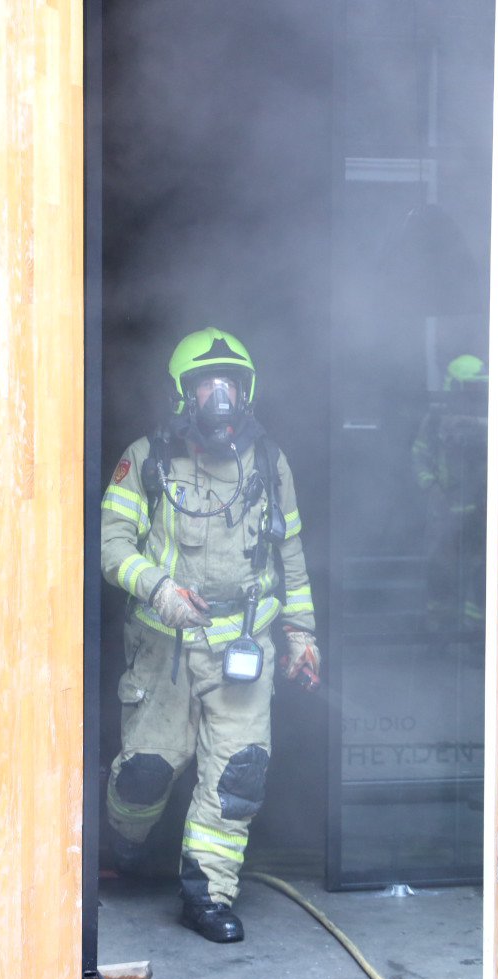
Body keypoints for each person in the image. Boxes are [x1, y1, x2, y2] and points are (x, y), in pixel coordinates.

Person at [99, 327, 320, 943]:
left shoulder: (271, 463)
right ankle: (124, 844)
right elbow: (110, 544)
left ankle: (208, 895)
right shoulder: (144, 460)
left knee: (238, 774)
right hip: (163, 652)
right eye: (207, 386)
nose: (221, 399)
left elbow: (290, 558)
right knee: (145, 774)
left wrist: (302, 635)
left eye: (232, 385)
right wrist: (159, 590)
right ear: (182, 394)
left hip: (242, 650)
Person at [411, 354, 488, 630]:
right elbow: (419, 455)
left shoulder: (494, 418)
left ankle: (475, 639)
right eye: (470, 389)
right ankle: (438, 633)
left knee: (482, 576)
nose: (476, 396)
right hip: (445, 512)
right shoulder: (435, 421)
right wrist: (430, 486)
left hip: (481, 512)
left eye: (480, 389)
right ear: (454, 388)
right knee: (440, 572)